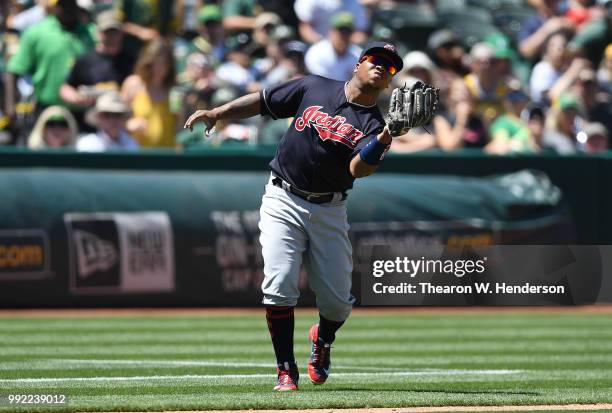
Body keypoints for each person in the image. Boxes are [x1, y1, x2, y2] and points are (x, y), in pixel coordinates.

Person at [184, 41, 406, 392]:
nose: (381, 67)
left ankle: (323, 339)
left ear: (390, 81)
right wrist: (219, 112)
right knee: (279, 285)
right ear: (358, 63)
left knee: (337, 303)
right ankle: (285, 370)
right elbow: (264, 101)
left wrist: (386, 136)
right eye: (376, 59)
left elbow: (357, 169)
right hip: (282, 196)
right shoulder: (314, 86)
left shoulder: (375, 124)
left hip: (330, 207)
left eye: (390, 67)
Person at [60, 10, 135, 132]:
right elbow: (65, 88)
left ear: (121, 33)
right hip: (88, 125)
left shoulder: (131, 61)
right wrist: (78, 97)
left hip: (120, 127)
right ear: (98, 33)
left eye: (114, 32)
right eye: (107, 32)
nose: (111, 37)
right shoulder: (84, 60)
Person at [121, 38, 177, 148]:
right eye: (155, 64)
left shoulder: (174, 90)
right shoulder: (133, 84)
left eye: (163, 64)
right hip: (137, 155)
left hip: (168, 155)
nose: (159, 69)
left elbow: (179, 128)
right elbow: (116, 118)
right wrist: (129, 124)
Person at [304, 12, 362, 81]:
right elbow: (320, 84)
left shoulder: (358, 54)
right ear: (331, 31)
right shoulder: (316, 53)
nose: (344, 35)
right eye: (341, 30)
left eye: (348, 31)